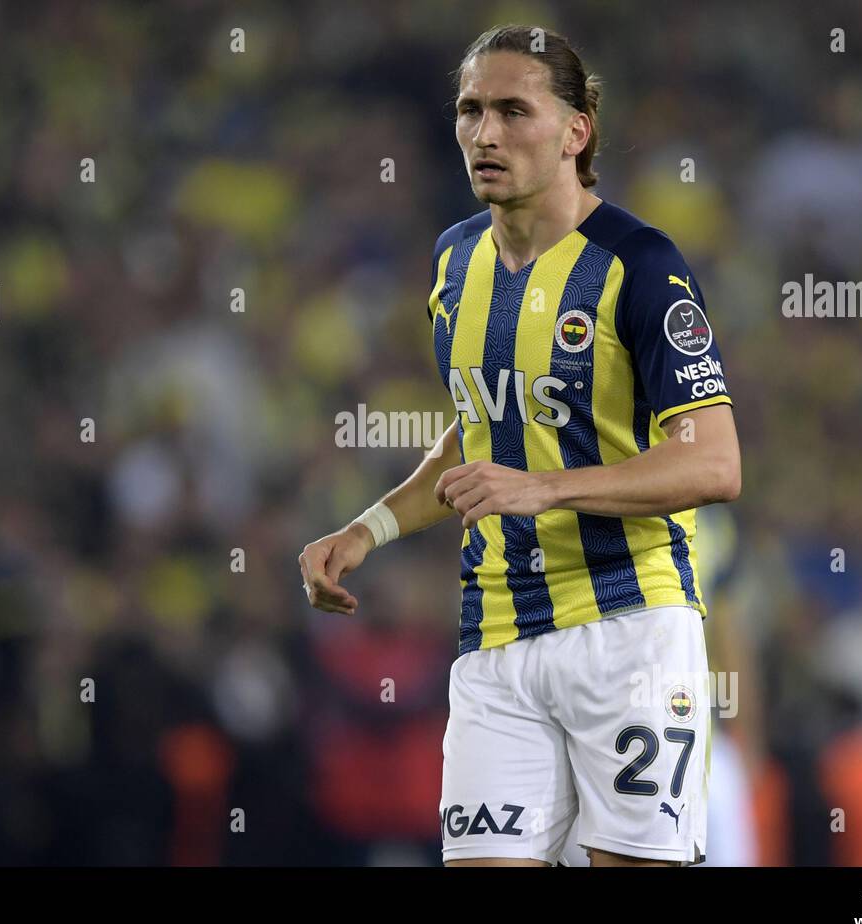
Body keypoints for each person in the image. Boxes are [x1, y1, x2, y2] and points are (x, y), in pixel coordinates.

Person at [299, 24, 740, 867]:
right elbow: (480, 436)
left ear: (576, 131)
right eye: (470, 110)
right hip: (496, 637)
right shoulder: (452, 263)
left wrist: (548, 488)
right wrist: (367, 530)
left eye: (512, 110)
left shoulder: (641, 264)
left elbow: (715, 463)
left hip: (629, 630)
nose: (484, 133)